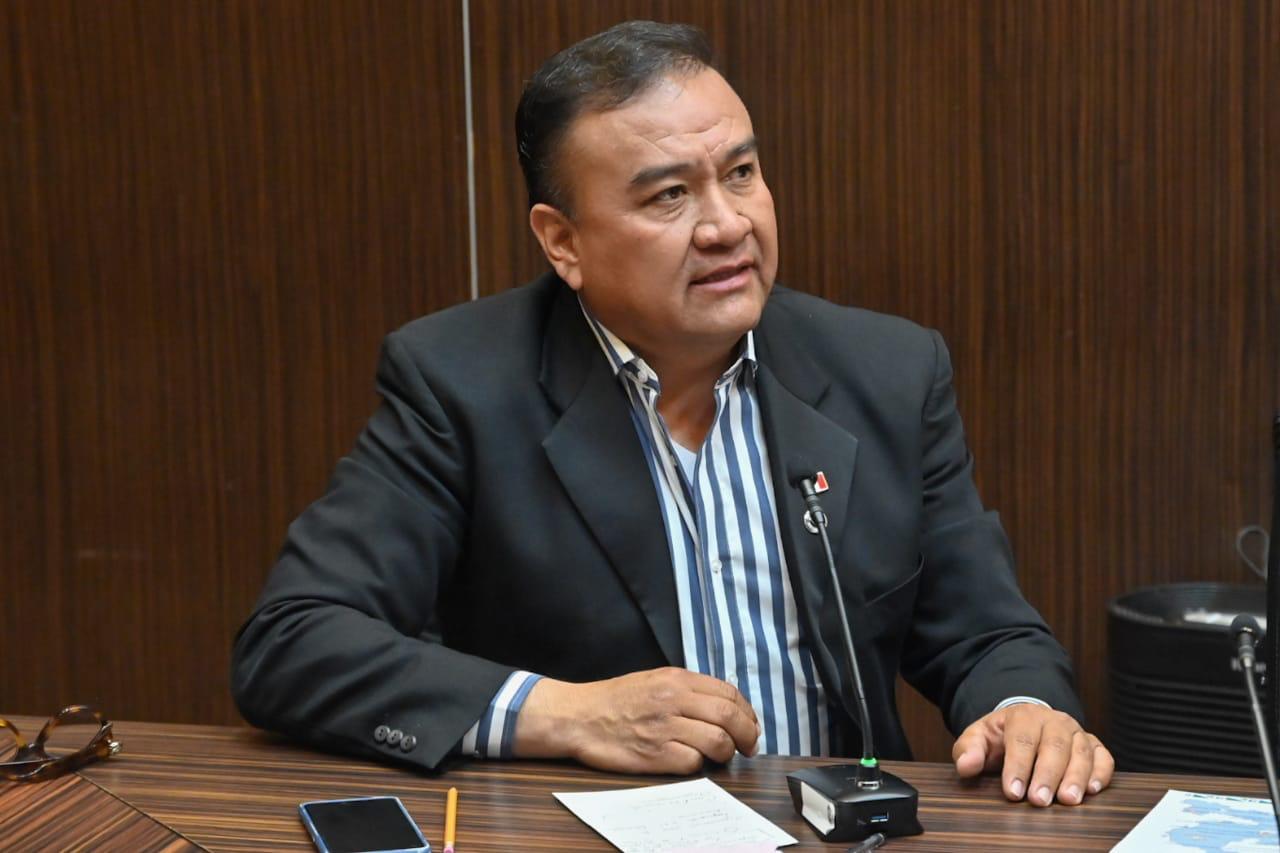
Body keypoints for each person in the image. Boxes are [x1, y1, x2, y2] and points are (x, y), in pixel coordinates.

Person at [231, 20, 1114, 808]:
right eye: (668, 196)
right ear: (563, 241)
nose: (727, 224)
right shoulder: (461, 385)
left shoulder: (887, 370)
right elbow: (293, 641)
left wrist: (1026, 711)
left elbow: (988, 632)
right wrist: (572, 713)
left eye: (741, 174)